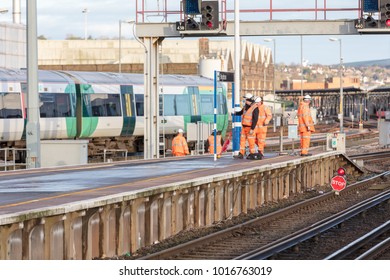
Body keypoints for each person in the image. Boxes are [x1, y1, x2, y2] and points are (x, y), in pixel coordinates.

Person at [233, 93, 259, 159]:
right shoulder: (245, 107)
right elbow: (241, 112)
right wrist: (235, 113)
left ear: (249, 100)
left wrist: (252, 129)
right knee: (242, 141)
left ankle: (252, 154)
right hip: (244, 127)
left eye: (246, 100)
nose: (245, 101)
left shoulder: (255, 108)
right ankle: (241, 153)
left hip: (250, 128)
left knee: (251, 141)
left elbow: (255, 119)